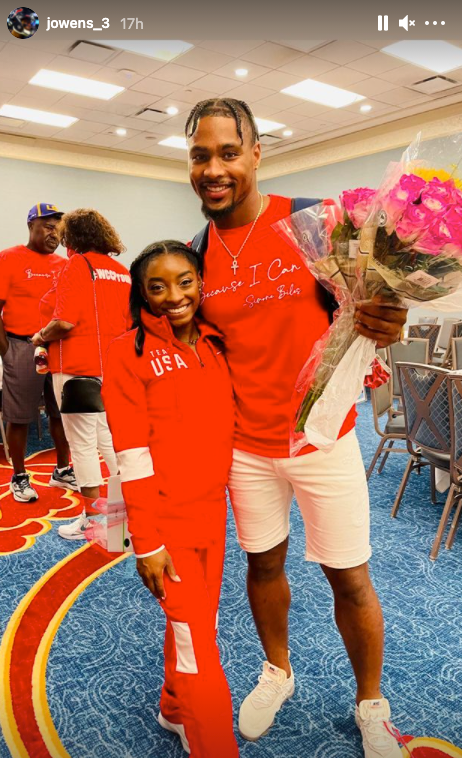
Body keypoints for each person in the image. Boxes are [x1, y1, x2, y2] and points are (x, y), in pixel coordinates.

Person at [185, 98, 408, 758]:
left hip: (325, 437)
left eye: (229, 152)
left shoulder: (316, 222)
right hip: (246, 448)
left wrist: (391, 316)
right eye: (201, 155)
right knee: (263, 565)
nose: (214, 168)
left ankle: (371, 703)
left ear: (257, 153)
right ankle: (277, 672)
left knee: (351, 578)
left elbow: (375, 303)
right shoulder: (196, 251)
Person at [102, 241, 239, 758]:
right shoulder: (127, 352)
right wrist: (146, 542)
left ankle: (172, 708)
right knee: (200, 649)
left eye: (184, 281)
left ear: (201, 281)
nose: (173, 296)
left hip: (212, 514)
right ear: (141, 292)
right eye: (156, 286)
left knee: (195, 627)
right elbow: (132, 455)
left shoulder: (215, 342)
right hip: (165, 525)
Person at [32, 209, 131, 540]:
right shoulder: (120, 271)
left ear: (72, 235)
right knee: (108, 443)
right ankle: (122, 519)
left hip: (76, 370)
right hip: (112, 370)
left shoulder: (78, 264)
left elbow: (65, 322)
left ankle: (92, 520)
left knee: (83, 446)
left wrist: (40, 337)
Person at [0, 203, 77, 502]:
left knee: (61, 413)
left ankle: (61, 469)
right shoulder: (9, 258)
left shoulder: (64, 265)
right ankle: (19, 476)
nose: (53, 232)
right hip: (22, 346)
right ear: (31, 225)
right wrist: (7, 349)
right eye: (47, 225)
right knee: (20, 417)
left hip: (57, 347)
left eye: (58, 227)